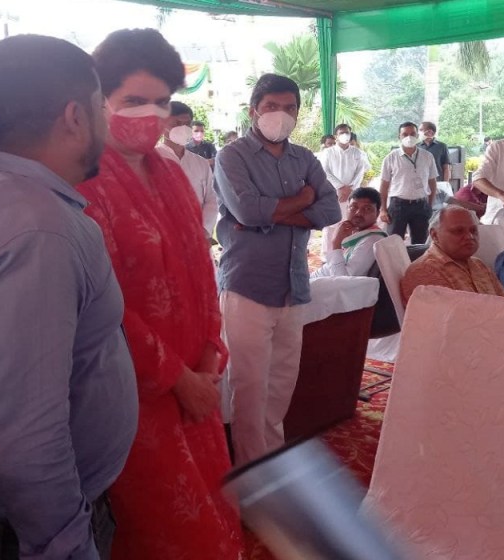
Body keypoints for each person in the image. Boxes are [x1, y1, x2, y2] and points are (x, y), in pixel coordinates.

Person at [0, 34, 138, 559]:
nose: (107, 127)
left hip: (1, 517)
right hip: (16, 532)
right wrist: (67, 547)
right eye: (101, 109)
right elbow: (22, 436)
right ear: (74, 116)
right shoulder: (40, 232)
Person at [77, 29, 242, 559]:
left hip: (198, 377)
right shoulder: (83, 183)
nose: (150, 113)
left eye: (161, 101)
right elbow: (103, 306)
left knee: (219, 513)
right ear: (98, 100)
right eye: (133, 100)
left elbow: (201, 266)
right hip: (137, 397)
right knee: (175, 535)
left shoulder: (170, 172)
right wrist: (177, 378)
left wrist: (211, 351)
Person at [215, 73, 341, 466]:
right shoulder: (231, 156)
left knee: (281, 385)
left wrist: (272, 212)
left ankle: (271, 463)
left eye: (290, 108)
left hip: (293, 286)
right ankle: (253, 473)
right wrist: (302, 200)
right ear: (254, 111)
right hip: (247, 285)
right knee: (250, 387)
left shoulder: (304, 158)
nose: (280, 115)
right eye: (271, 107)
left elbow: (331, 210)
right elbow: (247, 210)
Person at [400, 205, 504, 304]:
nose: (470, 236)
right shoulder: (423, 271)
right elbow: (449, 322)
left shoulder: (479, 265)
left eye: (473, 230)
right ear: (434, 235)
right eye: (458, 231)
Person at [158, 101, 218, 236]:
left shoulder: (201, 163)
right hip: (164, 236)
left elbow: (211, 198)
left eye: (187, 124)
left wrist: (203, 230)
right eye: (176, 123)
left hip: (198, 235)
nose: (183, 128)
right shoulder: (149, 160)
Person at [379, 121, 438, 244]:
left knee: (420, 243)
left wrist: (430, 205)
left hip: (421, 205)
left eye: (412, 134)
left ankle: (417, 263)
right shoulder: (390, 158)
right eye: (405, 134)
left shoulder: (428, 156)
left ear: (417, 136)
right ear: (399, 137)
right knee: (394, 243)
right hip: (398, 205)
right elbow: (384, 186)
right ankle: (396, 264)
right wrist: (383, 209)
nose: (409, 137)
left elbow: (432, 182)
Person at [311, 187, 387, 278]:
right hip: (319, 278)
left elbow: (342, 279)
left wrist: (336, 243)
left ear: (377, 214)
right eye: (353, 207)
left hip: (324, 286)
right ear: (347, 208)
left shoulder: (371, 240)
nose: (358, 213)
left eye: (367, 209)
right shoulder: (359, 233)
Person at [319, 123, 370, 252]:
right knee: (330, 225)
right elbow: (325, 172)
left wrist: (350, 189)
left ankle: (347, 252)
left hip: (352, 196)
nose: (345, 135)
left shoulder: (358, 153)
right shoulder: (327, 153)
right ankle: (327, 255)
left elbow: (360, 172)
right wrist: (340, 187)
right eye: (341, 133)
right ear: (336, 136)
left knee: (350, 223)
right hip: (332, 194)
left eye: (347, 132)